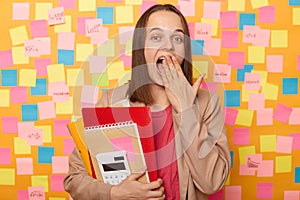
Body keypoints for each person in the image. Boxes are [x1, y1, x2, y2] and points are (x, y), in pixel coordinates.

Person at [64, 4, 230, 200]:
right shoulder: (112, 102)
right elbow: (74, 179)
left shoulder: (207, 103)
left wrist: (187, 109)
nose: (168, 46)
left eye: (177, 38)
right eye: (156, 37)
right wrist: (114, 193)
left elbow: (212, 182)